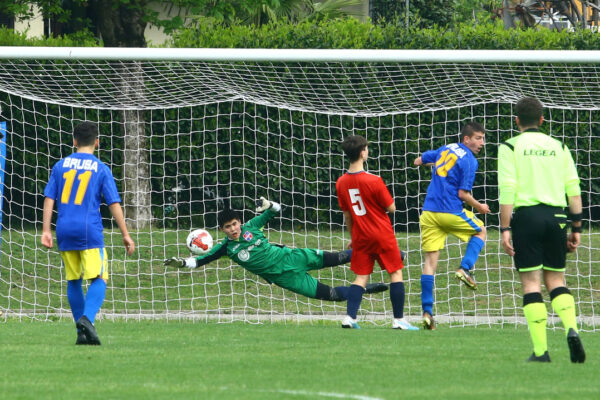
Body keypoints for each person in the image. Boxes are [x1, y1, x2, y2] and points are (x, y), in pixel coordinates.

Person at [164, 198, 389, 302]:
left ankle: (386, 253)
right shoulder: (225, 247)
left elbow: (277, 210)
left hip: (293, 257)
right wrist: (182, 263)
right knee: (331, 295)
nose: (233, 229)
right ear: (221, 230)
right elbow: (201, 261)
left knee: (339, 257)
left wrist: (269, 206)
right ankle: (367, 289)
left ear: (239, 222)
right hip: (286, 278)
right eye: (227, 227)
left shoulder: (252, 226)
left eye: (235, 224)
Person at [498, 97, 585, 363]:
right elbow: (574, 188)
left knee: (531, 284)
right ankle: (572, 328)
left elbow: (508, 190)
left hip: (527, 217)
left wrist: (504, 228)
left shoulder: (510, 146)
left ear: (517, 121)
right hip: (557, 217)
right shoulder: (559, 145)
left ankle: (540, 352)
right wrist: (576, 227)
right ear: (542, 119)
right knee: (557, 281)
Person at [42, 122, 135, 345]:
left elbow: (49, 198)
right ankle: (87, 319)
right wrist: (125, 233)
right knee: (100, 277)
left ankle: (81, 333)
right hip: (88, 230)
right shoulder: (101, 168)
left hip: (64, 228)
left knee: (74, 279)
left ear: (74, 141)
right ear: (97, 142)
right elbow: (113, 203)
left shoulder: (60, 165)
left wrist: (46, 230)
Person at [336, 135, 418, 330]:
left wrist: (353, 237)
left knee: (361, 277)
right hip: (381, 233)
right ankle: (398, 320)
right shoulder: (374, 180)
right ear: (363, 152)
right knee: (395, 272)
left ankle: (350, 317)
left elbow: (347, 215)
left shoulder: (341, 182)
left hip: (361, 236)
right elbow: (392, 208)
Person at [413, 122, 489, 330]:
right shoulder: (470, 162)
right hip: (449, 211)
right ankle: (465, 268)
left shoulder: (445, 148)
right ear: (466, 139)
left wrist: (433, 164)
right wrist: (479, 206)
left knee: (430, 262)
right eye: (477, 138)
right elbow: (463, 194)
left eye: (483, 138)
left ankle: (427, 312)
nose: (481, 143)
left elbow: (418, 161)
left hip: (429, 213)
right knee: (481, 230)